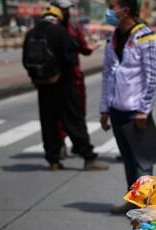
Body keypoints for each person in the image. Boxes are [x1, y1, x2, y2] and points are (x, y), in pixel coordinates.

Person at [24, 5, 108, 172]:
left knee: (48, 122)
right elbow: (70, 59)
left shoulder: (31, 33)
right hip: (63, 85)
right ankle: (88, 158)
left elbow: (26, 61)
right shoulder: (60, 32)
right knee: (74, 120)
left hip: (42, 85)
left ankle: (53, 160)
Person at [99, 0, 156, 214]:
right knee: (127, 158)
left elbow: (154, 77)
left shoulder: (146, 36)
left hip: (137, 111)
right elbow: (107, 75)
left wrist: (145, 109)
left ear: (125, 11)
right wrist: (104, 109)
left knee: (142, 162)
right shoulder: (113, 37)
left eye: (112, 6)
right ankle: (133, 201)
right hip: (117, 109)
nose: (108, 10)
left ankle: (147, 205)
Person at [52, 0, 100, 160]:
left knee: (61, 115)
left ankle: (62, 146)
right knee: (74, 115)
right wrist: (89, 48)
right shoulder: (69, 29)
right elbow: (84, 48)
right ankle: (80, 149)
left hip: (62, 79)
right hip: (69, 79)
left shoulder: (55, 28)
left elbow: (82, 48)